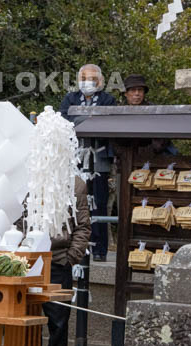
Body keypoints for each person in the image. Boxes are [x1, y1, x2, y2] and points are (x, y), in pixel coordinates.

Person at [60, 64, 117, 262]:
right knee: (75, 203)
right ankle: (75, 247)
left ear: (100, 81)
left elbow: (109, 123)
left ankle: (99, 250)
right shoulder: (70, 98)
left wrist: (80, 119)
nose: (87, 82)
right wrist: (91, 118)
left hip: (99, 158)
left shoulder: (108, 100)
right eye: (83, 78)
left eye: (92, 79)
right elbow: (64, 122)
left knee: (99, 203)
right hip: (75, 159)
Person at [40, 176, 91, 346]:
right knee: (25, 315)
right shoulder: (28, 176)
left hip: (59, 257)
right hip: (28, 254)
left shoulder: (75, 183)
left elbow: (83, 225)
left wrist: (72, 256)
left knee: (58, 318)